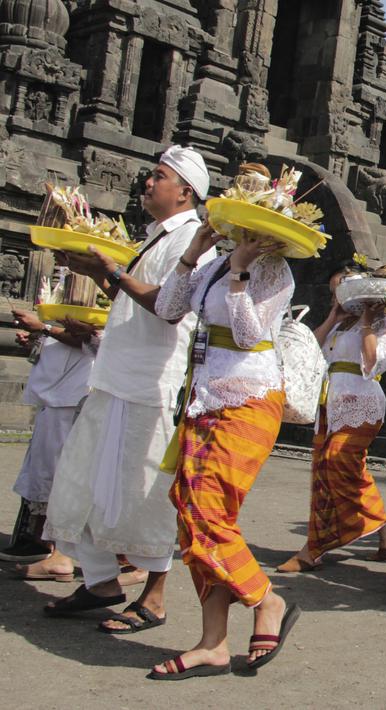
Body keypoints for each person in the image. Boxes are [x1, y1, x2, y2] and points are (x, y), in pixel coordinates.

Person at [41, 145, 216, 634]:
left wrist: (111, 272)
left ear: (185, 191)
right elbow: (134, 296)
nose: (147, 183)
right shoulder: (154, 239)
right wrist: (97, 272)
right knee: (87, 478)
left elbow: (169, 307)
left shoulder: (195, 243)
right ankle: (100, 582)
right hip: (116, 376)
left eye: (158, 177)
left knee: (146, 489)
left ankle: (155, 597)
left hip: (151, 384)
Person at [151, 214, 297, 679]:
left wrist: (240, 272)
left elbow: (249, 334)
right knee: (191, 511)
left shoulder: (275, 270)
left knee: (209, 514)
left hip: (248, 398)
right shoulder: (212, 263)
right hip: (204, 395)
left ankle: (266, 599)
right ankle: (213, 643)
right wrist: (194, 251)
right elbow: (168, 308)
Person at [276, 262, 386, 572]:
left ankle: (322, 543)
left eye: (343, 291)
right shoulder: (338, 323)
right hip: (330, 401)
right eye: (335, 292)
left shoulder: (381, 326)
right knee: (327, 472)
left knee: (337, 462)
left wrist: (367, 322)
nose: (338, 297)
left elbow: (372, 362)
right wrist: (334, 315)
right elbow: (313, 350)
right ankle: (383, 532)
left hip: (361, 400)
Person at [2, 302, 97, 576]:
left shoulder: (98, 294)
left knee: (58, 473)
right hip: (54, 393)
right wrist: (36, 339)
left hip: (72, 395)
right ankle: (40, 540)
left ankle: (60, 550)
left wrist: (43, 327)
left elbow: (92, 341)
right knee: (41, 470)